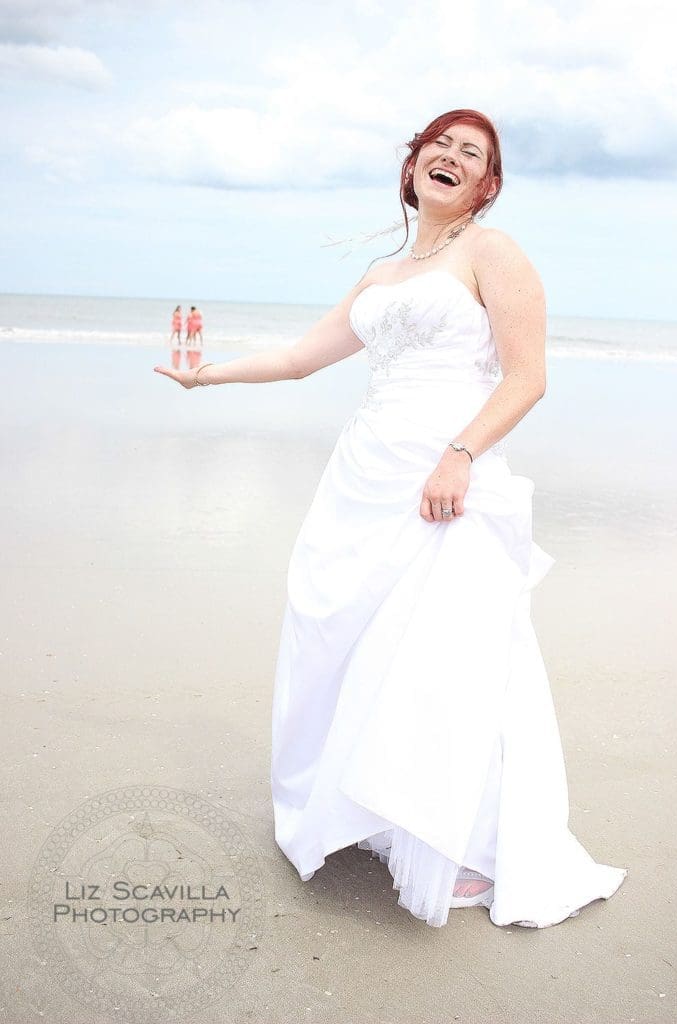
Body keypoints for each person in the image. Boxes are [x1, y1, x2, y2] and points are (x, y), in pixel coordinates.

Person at [153, 108, 627, 929]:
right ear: (411, 169)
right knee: (349, 642)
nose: (449, 157)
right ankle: (374, 809)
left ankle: (464, 843)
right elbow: (303, 358)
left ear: (486, 184)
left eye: (469, 153)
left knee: (440, 658)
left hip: (443, 476)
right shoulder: (382, 272)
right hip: (363, 476)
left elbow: (526, 377)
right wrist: (210, 377)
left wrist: (459, 455)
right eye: (437, 146)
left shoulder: (492, 252)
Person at [169, 305, 183, 369]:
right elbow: (174, 318)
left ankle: (179, 342)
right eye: (180, 308)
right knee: (174, 333)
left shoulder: (179, 313)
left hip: (179, 323)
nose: (180, 309)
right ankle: (170, 340)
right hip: (176, 323)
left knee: (179, 334)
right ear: (178, 308)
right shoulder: (176, 313)